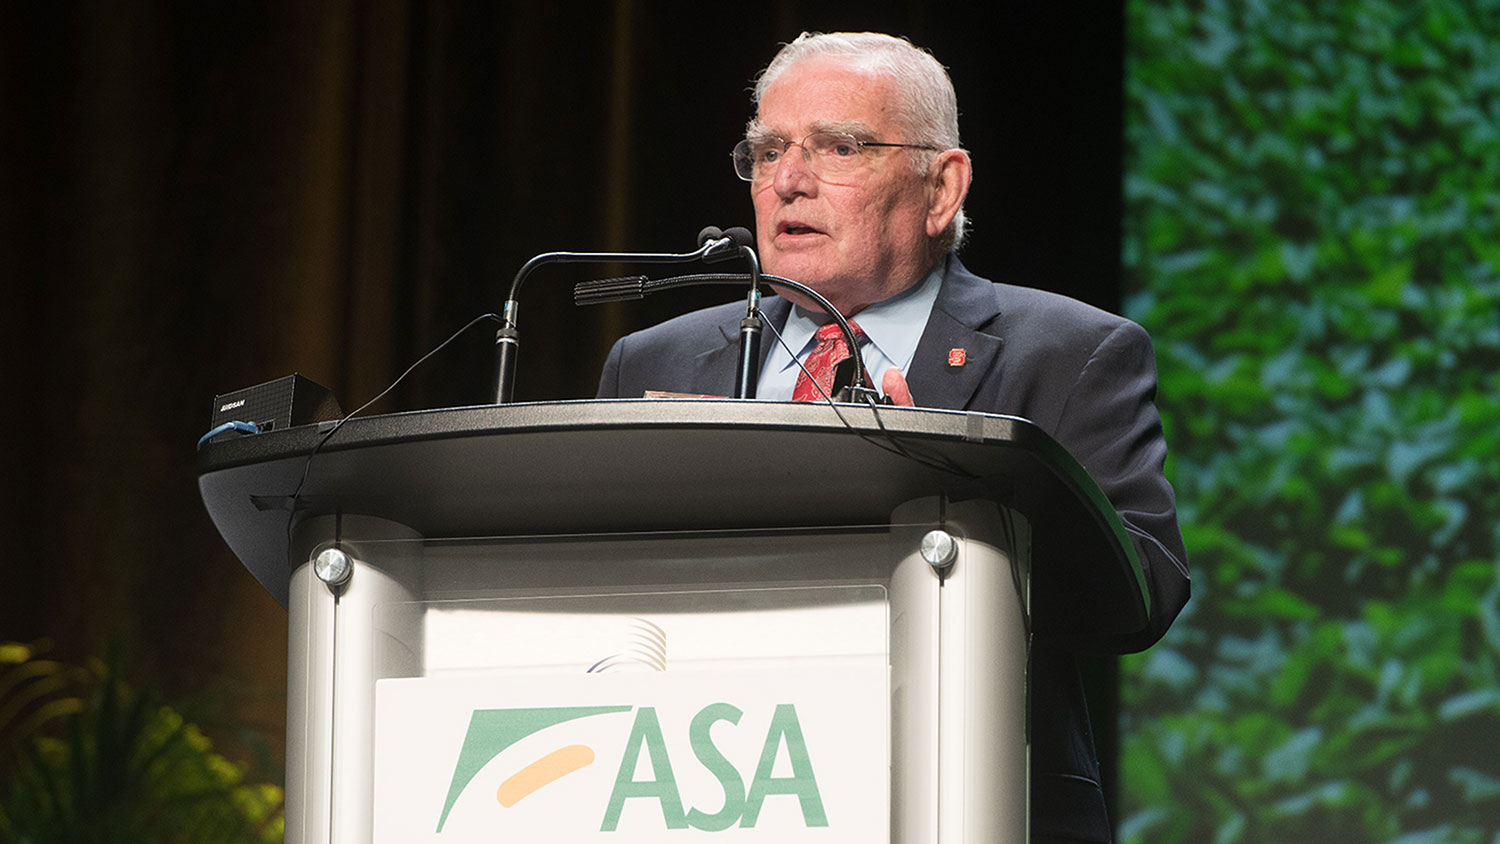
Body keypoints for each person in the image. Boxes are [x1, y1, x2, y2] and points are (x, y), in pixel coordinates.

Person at [597, 31, 1189, 844]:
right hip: (690, 796)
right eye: (768, 153)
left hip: (962, 803)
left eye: (839, 147)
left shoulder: (1071, 352)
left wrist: (953, 483)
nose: (788, 183)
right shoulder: (657, 359)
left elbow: (1141, 593)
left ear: (941, 187)